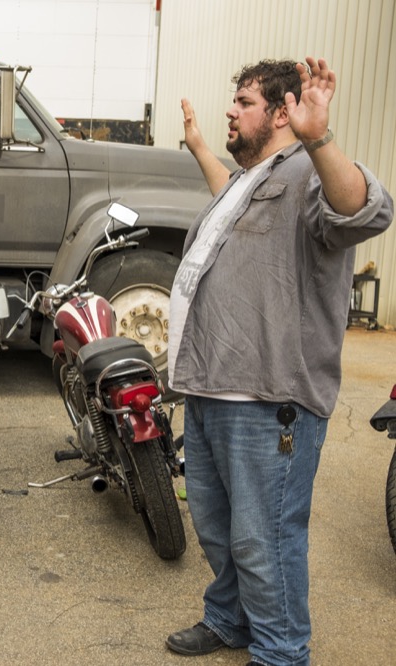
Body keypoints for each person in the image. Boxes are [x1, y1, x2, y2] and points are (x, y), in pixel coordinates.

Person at [166, 57, 392, 666]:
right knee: (217, 528)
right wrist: (199, 148)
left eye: (243, 102)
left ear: (283, 111)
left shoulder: (310, 173)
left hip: (270, 400)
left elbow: (365, 210)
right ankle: (230, 619)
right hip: (213, 386)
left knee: (264, 538)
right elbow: (231, 199)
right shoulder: (253, 180)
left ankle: (281, 651)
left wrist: (320, 138)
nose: (231, 111)